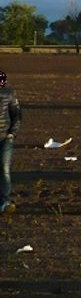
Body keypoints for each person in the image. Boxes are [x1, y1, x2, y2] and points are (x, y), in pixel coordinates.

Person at [0, 70, 22, 214]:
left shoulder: (9, 92)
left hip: (4, 137)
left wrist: (12, 133)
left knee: (4, 168)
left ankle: (5, 200)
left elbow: (17, 114)